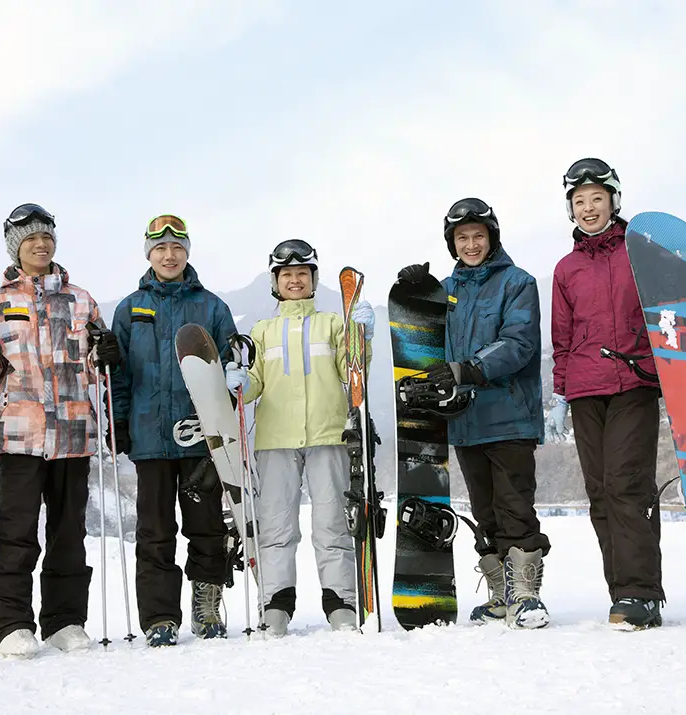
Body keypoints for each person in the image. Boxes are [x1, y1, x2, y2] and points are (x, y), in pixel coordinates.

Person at [0, 203, 120, 657]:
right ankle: (10, 623)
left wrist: (108, 354)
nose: (40, 245)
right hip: (21, 432)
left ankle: (64, 621)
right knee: (16, 529)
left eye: (47, 237)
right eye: (31, 239)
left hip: (74, 430)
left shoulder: (80, 299)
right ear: (16, 248)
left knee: (68, 530)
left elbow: (100, 368)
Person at [397, 198, 551, 630]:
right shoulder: (447, 290)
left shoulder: (518, 283)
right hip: (464, 422)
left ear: (492, 238)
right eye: (461, 237)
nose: (470, 244)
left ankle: (526, 596)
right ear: (452, 243)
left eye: (478, 236)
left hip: (509, 416)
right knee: (485, 511)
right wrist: (416, 295)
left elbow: (518, 342)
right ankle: (501, 596)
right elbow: (425, 341)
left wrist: (468, 369)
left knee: (515, 506)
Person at [108, 214, 240, 647]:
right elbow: (120, 375)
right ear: (149, 253)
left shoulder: (212, 307)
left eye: (177, 248)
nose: (169, 255)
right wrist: (120, 422)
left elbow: (232, 370)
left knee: (205, 526)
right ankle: (160, 617)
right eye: (161, 248)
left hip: (202, 437)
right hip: (149, 438)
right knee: (155, 530)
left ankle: (206, 607)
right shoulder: (130, 308)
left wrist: (227, 414)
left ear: (187, 252)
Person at [548, 157, 664, 628]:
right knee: (599, 492)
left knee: (626, 484)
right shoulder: (566, 268)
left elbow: (667, 313)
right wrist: (559, 393)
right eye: (579, 202)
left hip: (635, 381)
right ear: (570, 210)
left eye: (597, 198)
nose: (589, 208)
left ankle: (643, 593)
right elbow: (561, 337)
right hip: (584, 390)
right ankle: (622, 593)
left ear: (614, 200)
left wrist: (671, 372)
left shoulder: (641, 252)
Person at [241, 239, 376, 636]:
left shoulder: (332, 324)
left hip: (328, 434)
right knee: (276, 525)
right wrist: (234, 383)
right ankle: (276, 605)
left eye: (302, 274)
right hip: (275, 439)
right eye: (287, 275)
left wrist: (361, 338)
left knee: (332, 522)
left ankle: (341, 604)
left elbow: (352, 372)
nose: (295, 280)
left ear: (314, 279)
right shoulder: (261, 331)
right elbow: (253, 384)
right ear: (275, 282)